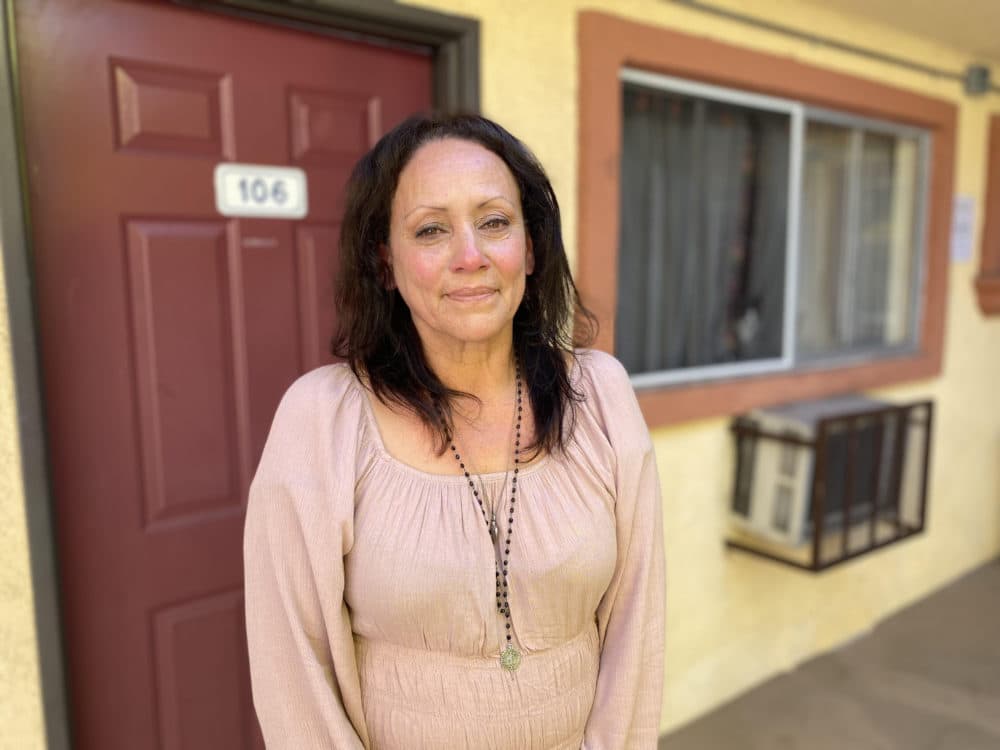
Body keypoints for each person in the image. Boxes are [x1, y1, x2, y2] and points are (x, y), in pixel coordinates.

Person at [244, 113, 664, 749]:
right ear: (385, 262)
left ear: (530, 247)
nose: (471, 257)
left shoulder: (600, 395)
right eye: (431, 230)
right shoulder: (321, 417)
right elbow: (292, 668)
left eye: (494, 222)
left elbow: (639, 621)